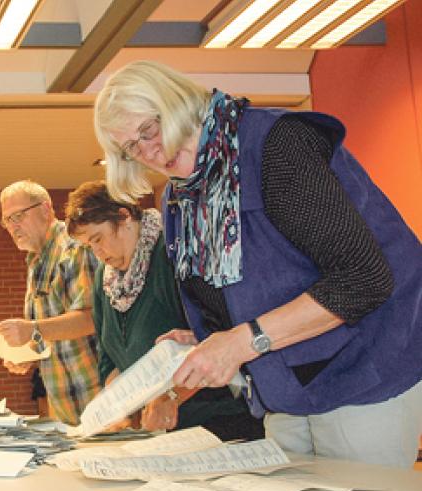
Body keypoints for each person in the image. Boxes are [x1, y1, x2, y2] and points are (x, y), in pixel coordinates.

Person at [93, 60, 422, 467]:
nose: (149, 152)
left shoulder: (275, 145)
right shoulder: (180, 198)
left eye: (148, 130)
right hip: (284, 385)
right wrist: (206, 338)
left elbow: (363, 278)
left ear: (177, 103)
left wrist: (240, 342)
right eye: (131, 147)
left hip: (364, 368)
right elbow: (256, 289)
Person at [64, 181, 263, 441]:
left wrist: (171, 397)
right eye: (89, 246)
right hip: (161, 432)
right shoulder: (106, 279)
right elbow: (109, 359)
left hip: (217, 421)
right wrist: (116, 409)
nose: (97, 252)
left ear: (124, 217)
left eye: (98, 239)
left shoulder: (173, 253)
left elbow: (216, 336)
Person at [0, 180, 100, 425]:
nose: (13, 226)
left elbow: (90, 318)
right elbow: (51, 329)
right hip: (67, 405)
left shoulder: (74, 248)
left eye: (18, 216)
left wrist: (32, 329)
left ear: (45, 209)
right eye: (7, 220)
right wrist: (29, 352)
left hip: (100, 398)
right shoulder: (36, 259)